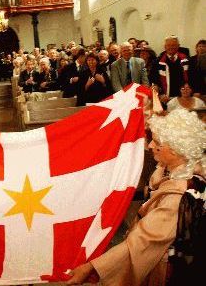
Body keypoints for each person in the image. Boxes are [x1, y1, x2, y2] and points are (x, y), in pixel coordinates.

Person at [67, 109, 206, 286]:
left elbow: (142, 242)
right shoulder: (189, 177)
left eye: (156, 142)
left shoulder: (179, 198)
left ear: (175, 150)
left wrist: (93, 267)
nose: (149, 145)